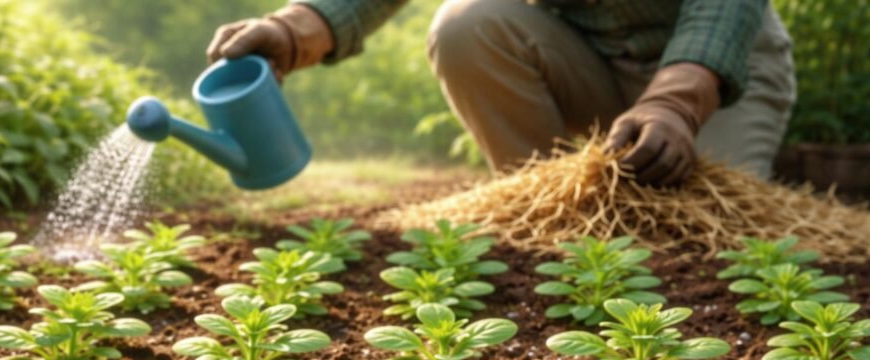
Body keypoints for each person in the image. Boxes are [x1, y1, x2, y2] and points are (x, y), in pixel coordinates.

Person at [207, 0, 795, 185]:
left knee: (712, 231)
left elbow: (724, 7)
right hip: (587, 58)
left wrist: (676, 100)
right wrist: (294, 30)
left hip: (718, 71)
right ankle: (557, 229)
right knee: (467, 25)